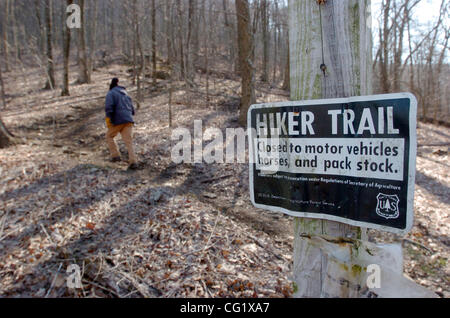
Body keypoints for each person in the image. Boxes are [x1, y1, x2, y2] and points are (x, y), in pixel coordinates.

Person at [105, 78, 138, 170]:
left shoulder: (111, 93)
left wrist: (109, 119)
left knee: (109, 136)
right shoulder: (126, 94)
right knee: (129, 141)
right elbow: (132, 110)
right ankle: (133, 161)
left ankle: (115, 155)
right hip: (128, 120)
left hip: (118, 120)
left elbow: (109, 107)